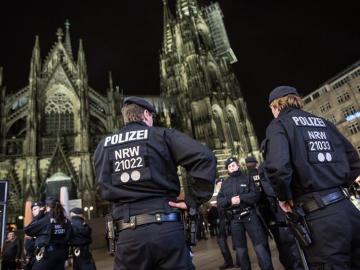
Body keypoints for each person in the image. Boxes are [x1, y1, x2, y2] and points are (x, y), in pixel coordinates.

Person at [94, 96, 216, 270]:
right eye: (151, 116)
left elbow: (102, 186)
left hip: (127, 233)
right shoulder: (162, 135)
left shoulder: (103, 147)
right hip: (166, 227)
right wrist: (193, 200)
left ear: (125, 117)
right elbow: (205, 157)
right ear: (145, 114)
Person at [264, 85, 360, 269]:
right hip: (348, 210)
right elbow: (354, 160)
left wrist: (284, 197)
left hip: (320, 219)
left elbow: (278, 167)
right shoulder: (322, 122)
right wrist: (336, 184)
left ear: (275, 106)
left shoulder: (279, 125)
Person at [246, 156, 303, 270]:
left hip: (274, 208)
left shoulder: (252, 174)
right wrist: (283, 197)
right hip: (278, 208)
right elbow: (268, 188)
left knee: (287, 241)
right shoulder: (264, 167)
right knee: (286, 241)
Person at [217, 157, 274, 270]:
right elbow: (220, 201)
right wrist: (230, 201)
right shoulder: (225, 184)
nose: (232, 168)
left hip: (250, 216)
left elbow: (255, 195)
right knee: (240, 250)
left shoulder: (247, 178)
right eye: (229, 166)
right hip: (235, 219)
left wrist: (241, 198)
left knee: (260, 247)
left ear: (238, 166)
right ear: (227, 169)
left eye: (233, 165)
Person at [24, 197, 71, 270]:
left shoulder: (46, 219)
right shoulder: (65, 220)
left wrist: (38, 216)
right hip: (61, 254)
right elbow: (68, 237)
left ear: (47, 207)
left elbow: (28, 230)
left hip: (47, 254)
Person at [215, 178, 234, 270]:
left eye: (221, 183)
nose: (220, 185)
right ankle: (228, 262)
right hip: (223, 221)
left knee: (237, 240)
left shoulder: (228, 192)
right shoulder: (218, 196)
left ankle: (239, 260)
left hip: (231, 219)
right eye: (218, 184)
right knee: (221, 240)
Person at [24, 201, 46, 270]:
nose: (33, 212)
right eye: (32, 210)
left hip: (42, 254)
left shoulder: (45, 221)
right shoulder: (34, 222)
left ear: (42, 208)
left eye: (35, 209)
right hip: (32, 254)